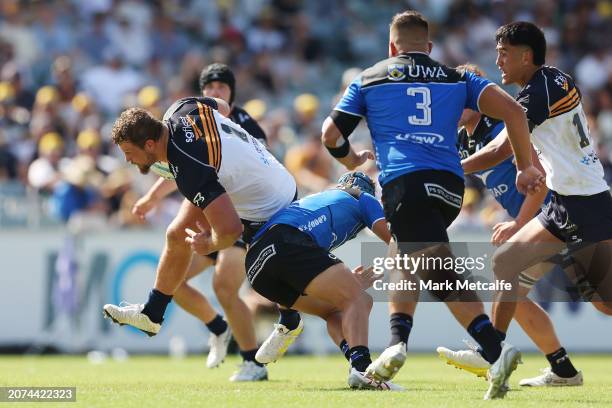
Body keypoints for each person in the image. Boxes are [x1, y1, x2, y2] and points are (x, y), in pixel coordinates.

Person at [321, 11, 544, 399]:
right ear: (428, 48)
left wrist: (350, 161)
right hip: (449, 188)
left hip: (405, 183)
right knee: (403, 253)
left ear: (392, 47)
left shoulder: (370, 77)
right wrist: (525, 166)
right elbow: (514, 112)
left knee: (437, 272)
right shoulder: (458, 76)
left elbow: (330, 134)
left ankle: (496, 348)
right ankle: (396, 344)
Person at [442, 21, 612, 387]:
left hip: (587, 205)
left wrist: (449, 169)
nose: (498, 60)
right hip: (564, 202)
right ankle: (489, 350)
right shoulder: (545, 84)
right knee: (505, 262)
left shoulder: (541, 90)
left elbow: (500, 149)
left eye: (504, 53)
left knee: (606, 304)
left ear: (526, 55)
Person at [103, 95, 297, 382]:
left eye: (129, 153)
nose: (127, 160)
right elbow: (224, 107)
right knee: (176, 235)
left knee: (226, 285)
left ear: (150, 144)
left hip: (269, 207)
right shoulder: (181, 108)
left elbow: (230, 230)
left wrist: (210, 244)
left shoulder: (188, 166)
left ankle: (279, 332)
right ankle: (156, 312)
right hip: (271, 179)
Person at [245, 171, 402, 390]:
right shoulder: (361, 196)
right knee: (359, 299)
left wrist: (345, 284)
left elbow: (298, 264)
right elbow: (395, 240)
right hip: (287, 243)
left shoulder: (321, 200)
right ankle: (363, 370)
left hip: (255, 265)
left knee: (335, 311)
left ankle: (289, 321)